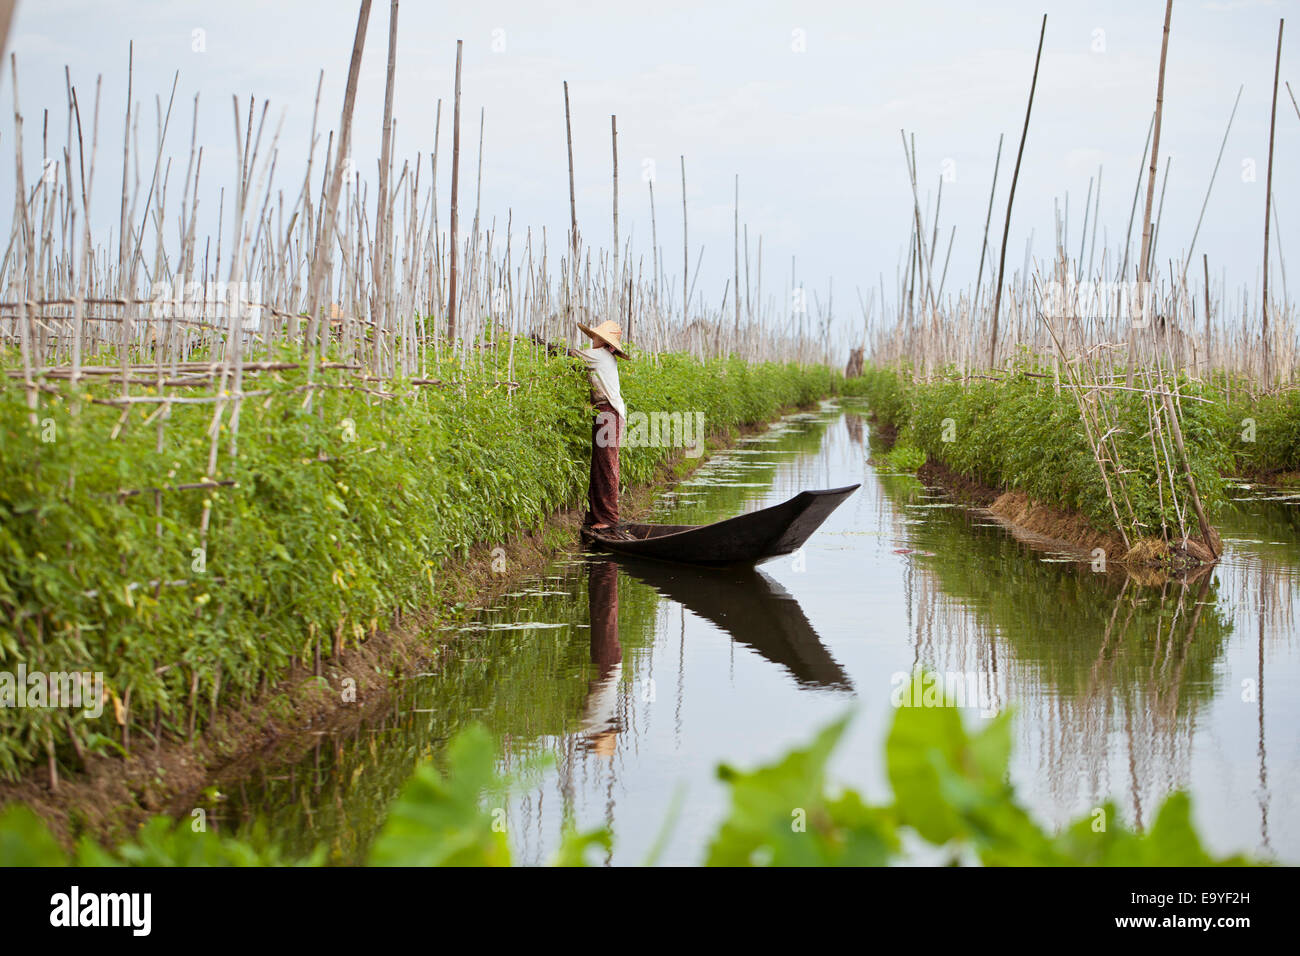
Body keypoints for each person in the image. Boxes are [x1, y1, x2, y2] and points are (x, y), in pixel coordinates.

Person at [570, 318, 630, 531]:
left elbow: (571, 355)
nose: (592, 339)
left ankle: (608, 518)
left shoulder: (600, 356)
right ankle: (598, 516)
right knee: (601, 463)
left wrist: (548, 348)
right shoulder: (603, 357)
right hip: (606, 413)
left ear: (602, 340)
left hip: (608, 414)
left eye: (595, 336)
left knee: (606, 464)